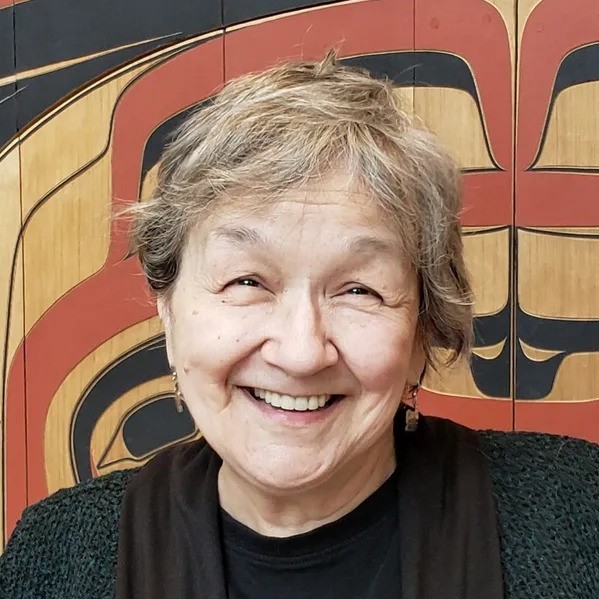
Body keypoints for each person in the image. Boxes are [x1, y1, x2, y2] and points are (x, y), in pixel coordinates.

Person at [1, 52, 598, 599]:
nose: (302, 351)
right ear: (168, 307)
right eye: (246, 282)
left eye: (359, 289)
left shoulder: (577, 515)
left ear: (423, 330)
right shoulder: (58, 556)